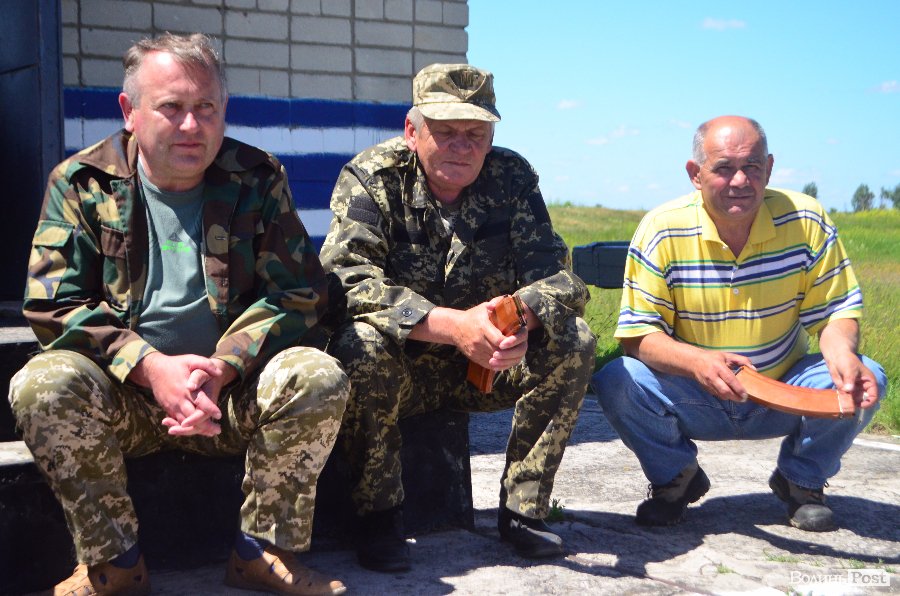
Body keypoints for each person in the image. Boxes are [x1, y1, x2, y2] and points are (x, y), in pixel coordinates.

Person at [8, 33, 349, 595]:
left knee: (316, 375)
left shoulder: (256, 177)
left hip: (227, 399)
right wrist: (149, 367)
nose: (192, 126)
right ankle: (114, 564)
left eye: (206, 107)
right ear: (130, 111)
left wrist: (225, 365)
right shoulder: (82, 183)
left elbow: (299, 292)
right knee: (42, 384)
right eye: (172, 107)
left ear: (224, 109)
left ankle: (261, 552)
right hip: (128, 401)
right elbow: (52, 304)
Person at [319, 63, 596, 572]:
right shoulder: (373, 177)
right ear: (412, 131)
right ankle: (378, 517)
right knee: (359, 344)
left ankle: (524, 510)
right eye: (446, 132)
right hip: (402, 371)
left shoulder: (512, 179)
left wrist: (519, 320)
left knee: (573, 338)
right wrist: (453, 327)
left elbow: (560, 279)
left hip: (487, 365)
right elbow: (345, 281)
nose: (461, 147)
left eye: (476, 134)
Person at [591, 115, 886, 532]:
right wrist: (698, 363)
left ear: (770, 167)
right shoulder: (661, 228)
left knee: (868, 377)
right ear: (695, 174)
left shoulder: (806, 220)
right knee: (617, 379)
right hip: (696, 391)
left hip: (782, 390)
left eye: (752, 166)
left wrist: (841, 354)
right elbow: (638, 338)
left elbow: (837, 312)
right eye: (724, 168)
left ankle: (801, 480)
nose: (740, 181)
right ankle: (676, 476)